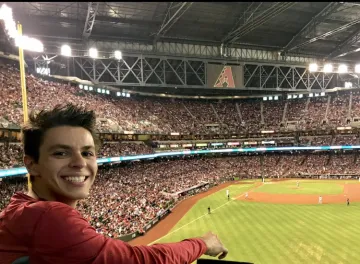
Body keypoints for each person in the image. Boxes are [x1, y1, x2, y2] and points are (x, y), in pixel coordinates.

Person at [0, 104, 228, 264]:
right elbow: (140, 260)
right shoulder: (49, 216)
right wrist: (202, 243)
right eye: (61, 153)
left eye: (87, 153)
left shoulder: (18, 210)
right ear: (32, 165)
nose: (80, 163)